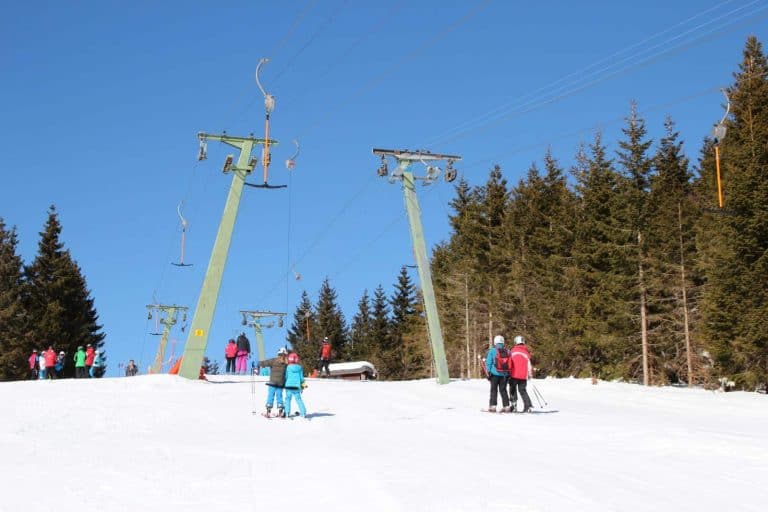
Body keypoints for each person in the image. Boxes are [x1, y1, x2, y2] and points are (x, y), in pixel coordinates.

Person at [484, 335, 511, 413]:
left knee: (494, 390)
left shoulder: (492, 350)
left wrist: (488, 372)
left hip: (494, 374)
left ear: (495, 342)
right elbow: (510, 363)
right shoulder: (508, 351)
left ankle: (493, 406)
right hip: (504, 375)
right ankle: (506, 406)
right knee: (503, 390)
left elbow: (488, 362)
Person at [260, 348, 288, 417]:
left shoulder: (274, 360)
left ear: (278, 354)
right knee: (279, 396)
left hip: (272, 382)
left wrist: (260, 363)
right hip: (281, 383)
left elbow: (265, 363)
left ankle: (268, 410)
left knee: (271, 395)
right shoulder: (286, 363)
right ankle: (280, 410)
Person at [509, 335, 533, 413]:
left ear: (516, 342)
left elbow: (509, 363)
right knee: (522, 390)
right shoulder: (526, 352)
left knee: (513, 389)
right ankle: (528, 406)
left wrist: (508, 372)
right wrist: (530, 374)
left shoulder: (512, 351)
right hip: (523, 375)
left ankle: (514, 405)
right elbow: (529, 364)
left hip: (514, 374)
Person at [284, 352, 307, 418]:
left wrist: (284, 384)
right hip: (297, 387)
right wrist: (303, 387)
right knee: (298, 399)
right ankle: (303, 413)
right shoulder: (300, 368)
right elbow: (302, 378)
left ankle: (287, 412)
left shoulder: (288, 367)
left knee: (288, 399)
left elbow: (286, 376)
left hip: (288, 386)